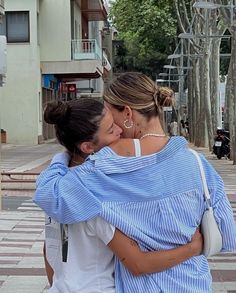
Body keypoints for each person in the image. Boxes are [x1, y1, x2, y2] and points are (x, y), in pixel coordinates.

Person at [34, 72, 236, 292]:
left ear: (128, 113)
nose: (117, 130)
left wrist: (62, 158)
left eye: (112, 117)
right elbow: (226, 231)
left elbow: (51, 195)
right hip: (193, 283)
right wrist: (193, 246)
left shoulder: (109, 164)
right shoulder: (197, 163)